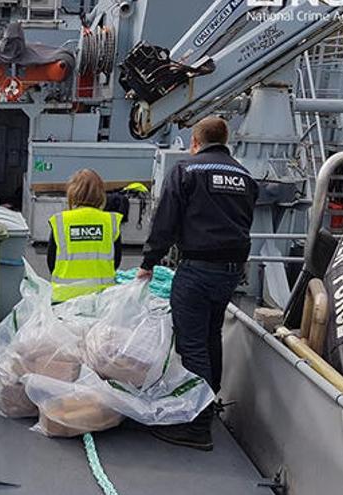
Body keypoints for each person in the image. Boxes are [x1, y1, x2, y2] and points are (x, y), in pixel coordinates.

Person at [137, 116, 258, 451]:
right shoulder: (244, 176)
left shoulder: (188, 171)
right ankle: (209, 403)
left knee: (191, 345)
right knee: (210, 337)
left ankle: (196, 424)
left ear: (195, 141)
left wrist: (149, 262)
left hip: (198, 269)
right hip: (230, 270)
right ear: (225, 139)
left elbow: (166, 221)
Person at [47, 169, 123, 303]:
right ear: (100, 193)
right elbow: (116, 261)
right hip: (101, 298)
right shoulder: (110, 221)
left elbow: (51, 262)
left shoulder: (61, 221)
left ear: (72, 192)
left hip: (64, 298)